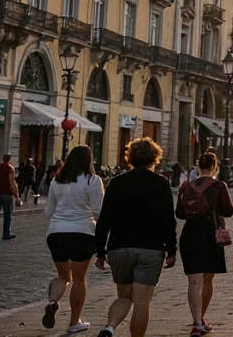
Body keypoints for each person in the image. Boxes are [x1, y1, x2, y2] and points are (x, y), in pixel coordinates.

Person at [94, 137, 178, 337]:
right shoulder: (161, 183)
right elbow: (168, 220)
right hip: (150, 248)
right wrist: (172, 249)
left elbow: (104, 219)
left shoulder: (117, 183)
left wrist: (100, 251)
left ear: (130, 158)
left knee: (124, 296)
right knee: (141, 301)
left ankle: (110, 327)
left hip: (119, 247)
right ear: (154, 159)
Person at [43, 146, 105, 333]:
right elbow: (98, 210)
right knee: (79, 279)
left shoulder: (56, 181)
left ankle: (53, 302)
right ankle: (74, 322)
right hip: (82, 233)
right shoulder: (92, 180)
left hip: (56, 233)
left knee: (63, 276)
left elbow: (49, 211)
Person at [177, 152, 233, 337]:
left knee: (193, 280)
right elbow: (229, 210)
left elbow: (179, 213)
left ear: (198, 166)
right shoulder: (219, 186)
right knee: (208, 279)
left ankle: (196, 322)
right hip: (211, 234)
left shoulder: (186, 186)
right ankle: (201, 317)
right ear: (215, 166)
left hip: (190, 234)